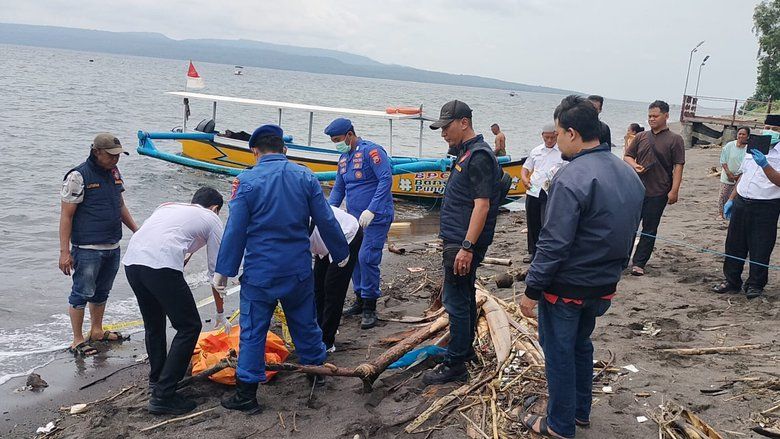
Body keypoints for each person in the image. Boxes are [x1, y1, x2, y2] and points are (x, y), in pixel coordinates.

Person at [520, 95, 644, 438]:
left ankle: (559, 424)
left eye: (558, 133)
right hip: (603, 283)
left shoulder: (571, 176)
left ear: (572, 133)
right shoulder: (627, 172)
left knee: (559, 351)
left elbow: (553, 242)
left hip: (568, 286)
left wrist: (532, 289)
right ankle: (579, 411)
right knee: (580, 344)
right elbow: (630, 231)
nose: (556, 139)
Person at [214, 125, 350, 414]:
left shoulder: (246, 181)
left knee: (253, 331)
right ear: (283, 149)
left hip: (261, 272)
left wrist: (223, 271)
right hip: (298, 269)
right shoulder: (304, 176)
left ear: (255, 151)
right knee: (305, 323)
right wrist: (341, 252)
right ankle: (317, 374)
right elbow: (325, 219)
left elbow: (235, 231)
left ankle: (247, 395)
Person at [123, 187, 225, 415]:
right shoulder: (212, 219)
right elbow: (217, 272)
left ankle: (157, 379)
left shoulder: (168, 207)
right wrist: (220, 312)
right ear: (215, 208)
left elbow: (173, 243)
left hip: (132, 263)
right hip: (159, 266)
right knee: (189, 326)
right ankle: (164, 394)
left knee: (154, 324)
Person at [423, 100, 502, 385]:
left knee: (455, 301)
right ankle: (464, 350)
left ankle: (454, 364)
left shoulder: (479, 156)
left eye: (447, 126)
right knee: (464, 295)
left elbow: (482, 205)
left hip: (462, 242)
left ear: (464, 122)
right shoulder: (466, 153)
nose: (443, 132)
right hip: (459, 238)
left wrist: (467, 247)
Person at [59, 133, 138, 357]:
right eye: (111, 155)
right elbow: (66, 216)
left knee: (102, 291)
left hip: (112, 244)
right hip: (87, 248)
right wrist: (65, 252)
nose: (116, 159)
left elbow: (120, 204)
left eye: (118, 156)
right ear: (97, 152)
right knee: (81, 292)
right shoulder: (78, 176)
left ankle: (96, 330)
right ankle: (77, 339)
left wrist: (137, 231)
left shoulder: (114, 173)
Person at [325, 117, 394, 329]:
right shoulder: (343, 159)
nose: (337, 143)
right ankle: (360, 298)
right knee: (352, 258)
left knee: (367, 258)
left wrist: (372, 209)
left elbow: (385, 178)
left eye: (338, 139)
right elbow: (338, 188)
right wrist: (328, 212)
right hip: (353, 219)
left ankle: (370, 306)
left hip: (376, 215)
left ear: (349, 134)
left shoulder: (371, 152)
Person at [714, 117, 780, 299]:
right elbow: (744, 175)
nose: (769, 131)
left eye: (775, 128)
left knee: (761, 246)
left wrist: (765, 165)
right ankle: (731, 280)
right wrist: (732, 199)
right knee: (734, 243)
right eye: (767, 127)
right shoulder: (753, 148)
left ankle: (755, 284)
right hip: (742, 201)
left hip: (766, 205)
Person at [623, 100, 685, 276]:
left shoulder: (675, 139)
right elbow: (627, 156)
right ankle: (622, 259)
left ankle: (639, 262)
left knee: (649, 228)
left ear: (666, 116)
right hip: (635, 189)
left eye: (655, 116)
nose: (651, 119)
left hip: (658, 191)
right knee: (629, 225)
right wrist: (634, 165)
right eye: (649, 116)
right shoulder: (641, 137)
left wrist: (674, 190)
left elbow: (678, 166)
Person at [312, 206, 363, 352]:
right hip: (323, 240)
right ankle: (318, 330)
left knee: (333, 288)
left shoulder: (296, 221)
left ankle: (327, 340)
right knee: (318, 286)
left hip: (346, 234)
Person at [520, 124, 563, 263]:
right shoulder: (536, 151)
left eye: (552, 137)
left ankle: (545, 251)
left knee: (546, 221)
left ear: (557, 136)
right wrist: (525, 179)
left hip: (550, 190)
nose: (549, 140)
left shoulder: (562, 152)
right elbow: (526, 168)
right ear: (542, 136)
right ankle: (532, 251)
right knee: (532, 222)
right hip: (534, 189)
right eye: (547, 138)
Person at [718, 127, 749, 219]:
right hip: (727, 175)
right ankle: (720, 214)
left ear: (747, 136)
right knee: (723, 195)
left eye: (743, 134)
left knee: (736, 196)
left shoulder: (748, 149)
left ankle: (733, 214)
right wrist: (729, 173)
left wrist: (738, 176)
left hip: (741, 176)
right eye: (739, 134)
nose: (741, 136)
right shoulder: (729, 146)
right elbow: (723, 160)